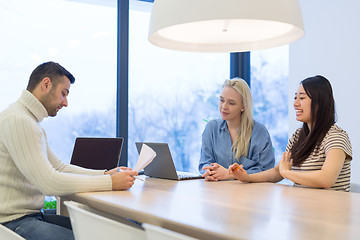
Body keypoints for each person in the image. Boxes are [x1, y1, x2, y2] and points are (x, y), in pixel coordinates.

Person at [0, 62, 138, 240]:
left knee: (98, 231)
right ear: (46, 84)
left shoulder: (27, 120)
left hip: (27, 218)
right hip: (13, 224)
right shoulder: (20, 120)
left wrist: (104, 174)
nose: (65, 103)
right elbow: (49, 183)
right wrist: (110, 182)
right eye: (63, 94)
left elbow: (59, 167)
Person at [229, 75, 352, 191]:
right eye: (295, 98)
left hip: (330, 210)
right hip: (304, 207)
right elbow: (278, 171)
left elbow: (326, 179)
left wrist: (287, 173)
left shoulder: (336, 136)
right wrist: (247, 177)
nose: (295, 103)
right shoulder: (299, 136)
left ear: (319, 102)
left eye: (302, 98)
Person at [199, 78, 275, 181]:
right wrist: (208, 171)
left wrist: (231, 174)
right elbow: (205, 163)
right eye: (222, 100)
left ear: (243, 106)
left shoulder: (259, 132)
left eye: (231, 103)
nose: (224, 107)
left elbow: (266, 171)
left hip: (250, 194)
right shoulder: (211, 128)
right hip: (216, 191)